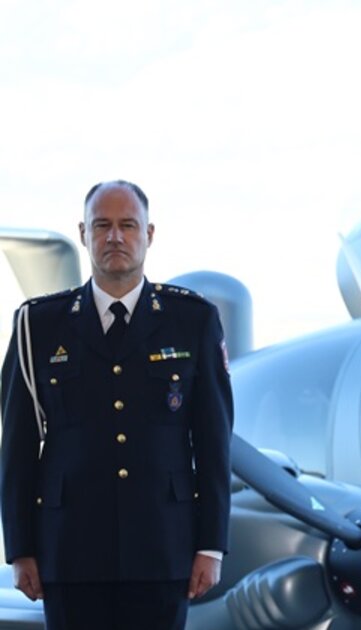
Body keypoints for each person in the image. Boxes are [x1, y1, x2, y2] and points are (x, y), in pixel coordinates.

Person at [0, 180, 234, 629]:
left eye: (127, 225)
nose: (114, 237)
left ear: (149, 234)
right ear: (83, 234)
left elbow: (212, 442)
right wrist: (21, 548)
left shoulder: (193, 321)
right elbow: (18, 446)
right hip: (68, 550)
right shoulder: (38, 325)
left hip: (162, 547)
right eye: (101, 225)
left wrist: (211, 545)